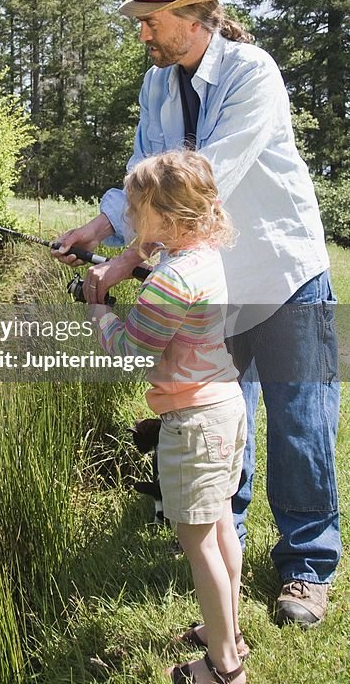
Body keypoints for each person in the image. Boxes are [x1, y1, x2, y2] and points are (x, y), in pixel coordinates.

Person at [54, 0, 340, 628]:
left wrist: (123, 265)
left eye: (151, 19)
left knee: (299, 428)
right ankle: (224, 554)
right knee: (216, 426)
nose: (142, 31)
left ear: (190, 14)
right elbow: (143, 177)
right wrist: (98, 228)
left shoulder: (250, 74)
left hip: (281, 275)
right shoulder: (156, 86)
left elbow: (200, 180)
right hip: (211, 289)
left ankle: (305, 568)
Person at [92, 149, 247, 684]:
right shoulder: (202, 259)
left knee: (198, 542)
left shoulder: (170, 281)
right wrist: (139, 265)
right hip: (225, 407)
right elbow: (171, 304)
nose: (132, 219)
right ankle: (226, 631)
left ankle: (224, 667)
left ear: (169, 218)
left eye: (138, 210)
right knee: (222, 522)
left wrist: (99, 310)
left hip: (193, 423)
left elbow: (135, 353)